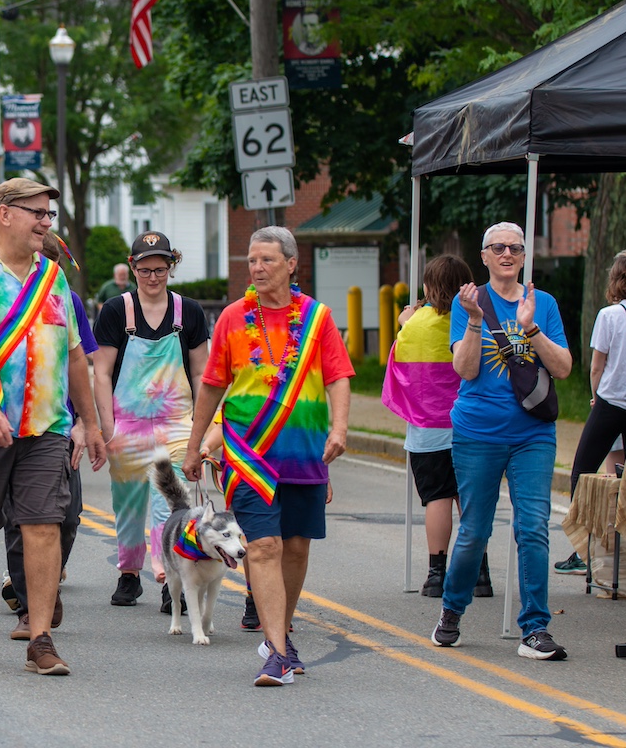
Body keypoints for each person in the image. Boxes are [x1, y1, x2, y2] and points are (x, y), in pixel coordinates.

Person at [0, 177, 106, 676]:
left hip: (45, 426)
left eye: (49, 215)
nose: (46, 223)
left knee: (44, 524)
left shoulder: (54, 280)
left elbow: (74, 356)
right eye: (37, 213)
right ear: (5, 213)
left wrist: (88, 422)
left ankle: (42, 636)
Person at [183, 226, 353, 687]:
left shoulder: (318, 319)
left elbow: (338, 375)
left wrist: (339, 427)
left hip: (303, 452)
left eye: (267, 260)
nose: (257, 268)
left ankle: (281, 634)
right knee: (262, 546)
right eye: (252, 261)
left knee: (295, 548)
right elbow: (213, 385)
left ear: (292, 264)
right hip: (248, 455)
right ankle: (277, 652)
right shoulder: (233, 319)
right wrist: (196, 444)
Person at [432, 222, 572, 661]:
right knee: (475, 530)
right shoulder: (469, 301)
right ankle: (452, 609)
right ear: (485, 256)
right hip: (478, 433)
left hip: (533, 434)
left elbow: (565, 368)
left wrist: (530, 330)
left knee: (532, 527)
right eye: (498, 247)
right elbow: (466, 370)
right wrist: (475, 320)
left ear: (524, 256)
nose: (507, 253)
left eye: (515, 247)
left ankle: (535, 628)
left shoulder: (542, 304)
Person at [93, 231, 209, 609]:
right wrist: (107, 428)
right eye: (145, 270)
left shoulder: (188, 311)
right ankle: (129, 573)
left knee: (170, 503)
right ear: (133, 267)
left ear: (171, 267)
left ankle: (169, 578)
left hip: (176, 423)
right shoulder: (115, 310)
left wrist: (200, 429)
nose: (153, 277)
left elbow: (200, 373)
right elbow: (102, 373)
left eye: (160, 269)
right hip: (128, 423)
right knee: (127, 504)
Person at [3, 231, 97, 638]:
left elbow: (82, 365)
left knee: (68, 515)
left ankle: (48, 579)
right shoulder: (1, 295)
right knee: (20, 519)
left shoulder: (68, 300)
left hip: (60, 424)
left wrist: (86, 424)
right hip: (11, 427)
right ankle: (30, 605)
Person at [556, 248, 626, 574]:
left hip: (611, 401)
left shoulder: (609, 315)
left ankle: (589, 543)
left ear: (615, 279)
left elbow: (596, 366)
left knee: (583, 470)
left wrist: (594, 396)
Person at [382, 255, 486, 598]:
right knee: (470, 499)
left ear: (428, 287)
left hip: (428, 429)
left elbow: (399, 372)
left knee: (437, 499)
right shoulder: (475, 321)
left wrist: (405, 319)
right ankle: (480, 572)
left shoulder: (415, 325)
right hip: (470, 425)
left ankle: (435, 574)